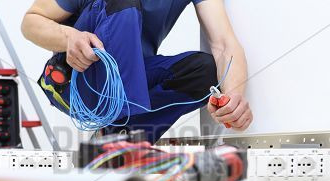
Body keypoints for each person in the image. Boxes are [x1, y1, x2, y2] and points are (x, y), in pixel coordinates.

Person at [22, 0, 253, 143]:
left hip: (132, 82)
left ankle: (122, 139)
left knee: (205, 70)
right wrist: (69, 37)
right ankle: (118, 135)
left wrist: (233, 98)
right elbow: (31, 21)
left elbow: (224, 44)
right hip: (78, 81)